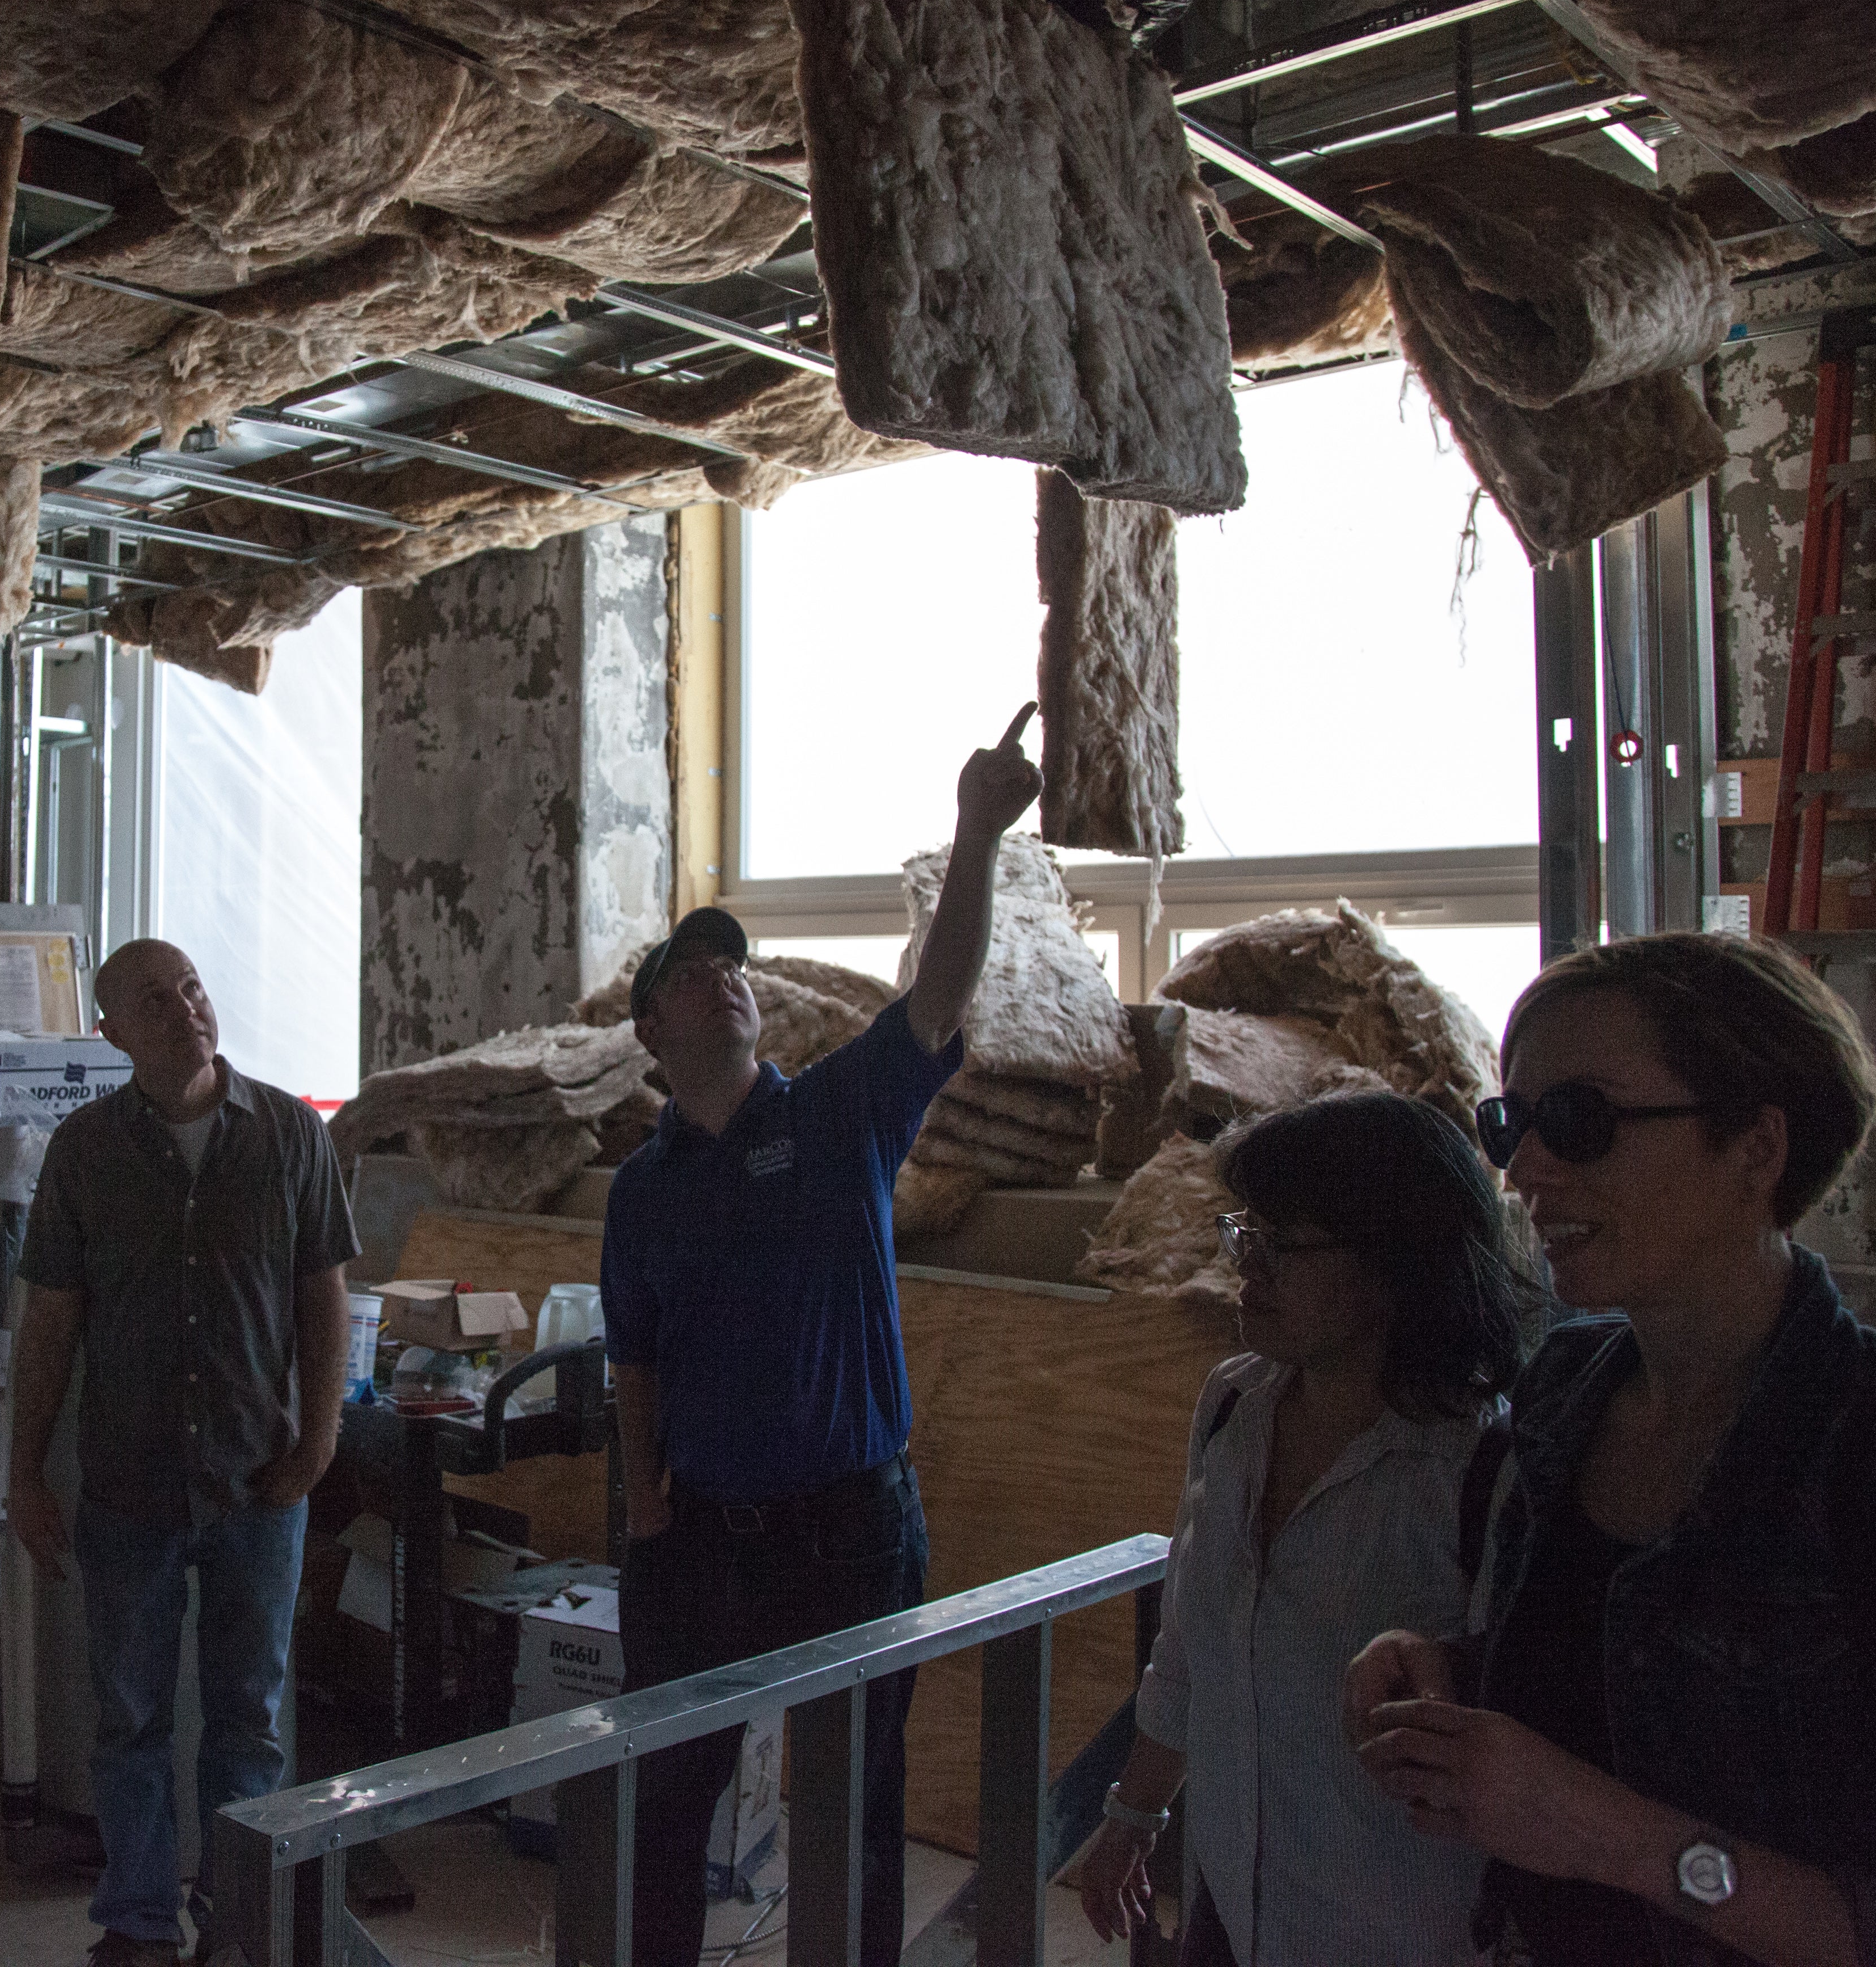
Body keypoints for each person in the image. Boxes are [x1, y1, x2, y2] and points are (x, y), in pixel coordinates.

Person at [1348, 931, 1876, 1965]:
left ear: (1756, 1148)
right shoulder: (1565, 1391)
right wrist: (1454, 1672)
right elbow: (1645, 1687)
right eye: (1511, 1125)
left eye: (1581, 1122)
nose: (1528, 1169)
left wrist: (1618, 1840)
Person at [602, 704, 1041, 1967]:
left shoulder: (844, 1113)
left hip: (851, 1533)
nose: (724, 976)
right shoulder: (645, 1187)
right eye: (691, 971)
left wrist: (975, 832)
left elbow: (940, 987)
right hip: (698, 1542)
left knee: (855, 1806)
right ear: (652, 1032)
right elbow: (633, 1355)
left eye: (732, 963)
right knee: (663, 1801)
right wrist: (642, 1511)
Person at [1074, 1092, 1528, 1966]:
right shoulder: (1234, 1406)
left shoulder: (1484, 1467)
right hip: (1234, 1916)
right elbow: (1188, 1650)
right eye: (1247, 1236)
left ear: (1397, 1263)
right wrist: (1133, 1817)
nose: (1250, 1269)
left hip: (1401, 1938)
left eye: (1286, 1247)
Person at [9, 938, 357, 1967]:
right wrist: (25, 1474)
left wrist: (323, 1430)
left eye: (194, 988)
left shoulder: (291, 1133)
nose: (186, 1009)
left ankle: (239, 1923)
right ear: (113, 1032)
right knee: (129, 1719)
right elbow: (51, 1324)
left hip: (261, 1480)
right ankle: (139, 1921)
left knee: (249, 1721)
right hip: (129, 1483)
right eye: (155, 1000)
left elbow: (322, 1295)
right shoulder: (84, 1151)